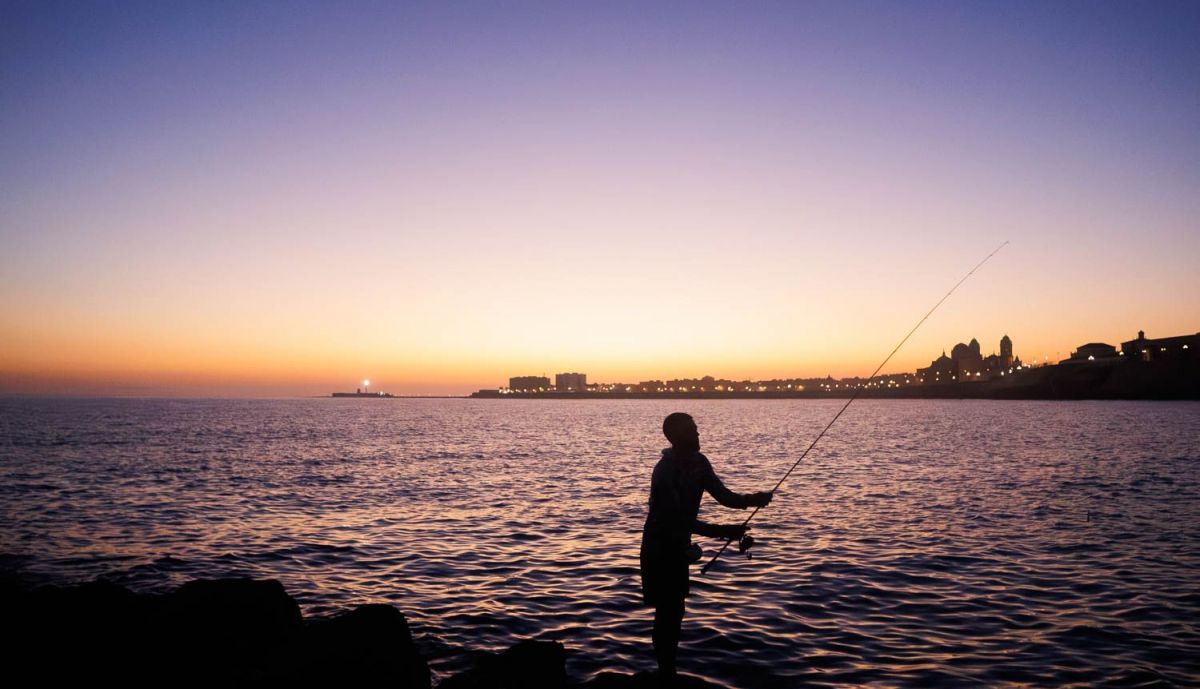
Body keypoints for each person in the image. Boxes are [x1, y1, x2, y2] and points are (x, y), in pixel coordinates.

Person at [639, 412, 772, 679]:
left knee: (676, 610)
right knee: (667, 610)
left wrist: (753, 499)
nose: (698, 434)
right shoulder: (664, 471)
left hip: (678, 547)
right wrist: (724, 531)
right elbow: (677, 520)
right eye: (692, 430)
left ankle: (668, 671)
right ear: (675, 437)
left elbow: (723, 496)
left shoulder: (700, 463)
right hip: (658, 548)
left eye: (697, 429)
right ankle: (665, 671)